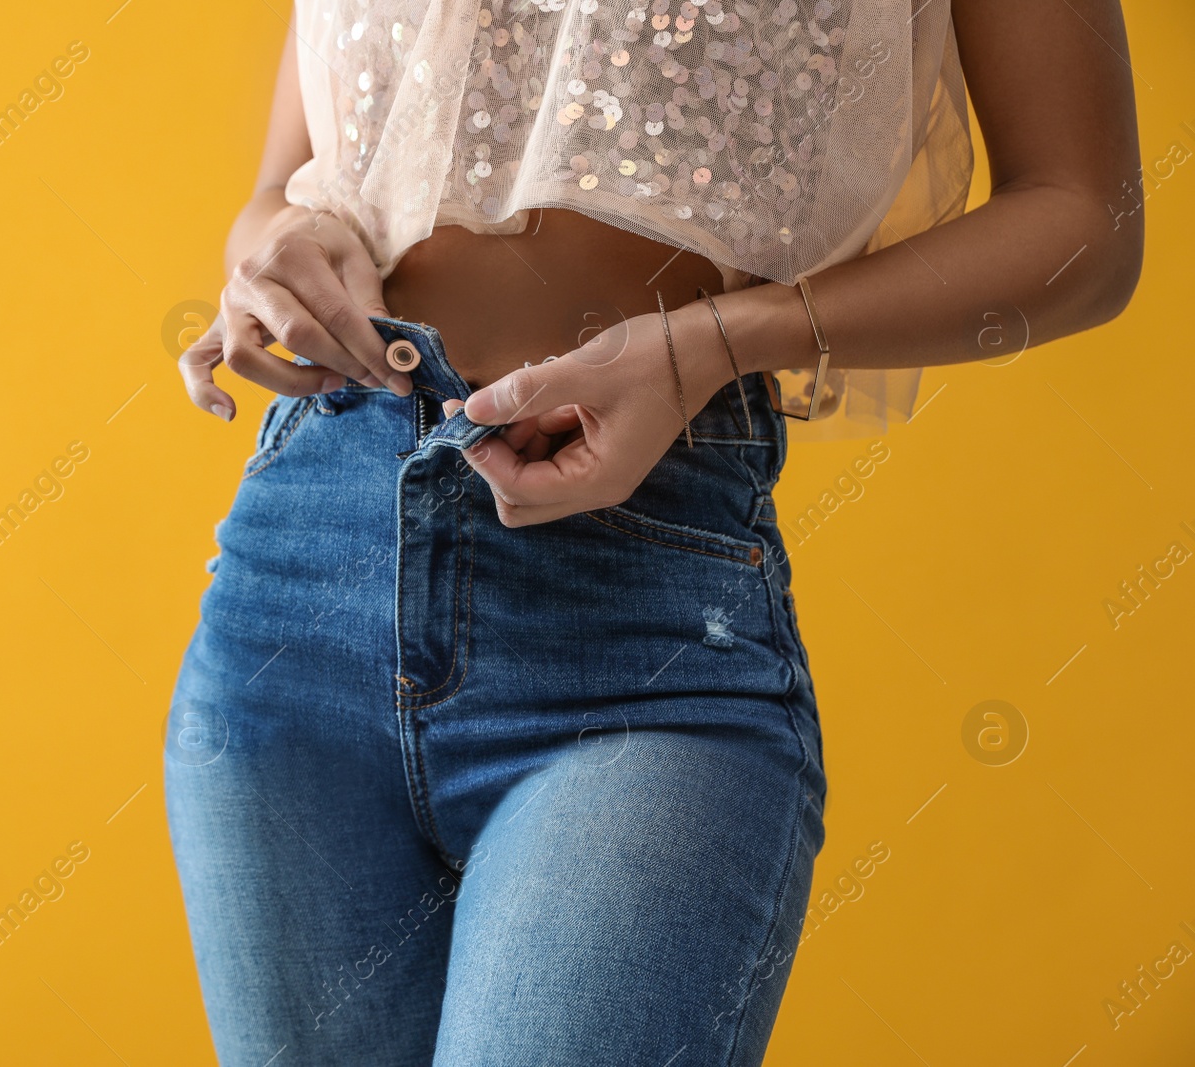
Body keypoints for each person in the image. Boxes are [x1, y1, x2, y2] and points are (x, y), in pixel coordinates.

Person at [166, 1, 1142, 1064]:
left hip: (645, 622)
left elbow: (1083, 219)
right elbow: (292, 182)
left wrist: (714, 344)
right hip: (298, 578)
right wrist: (275, 252)